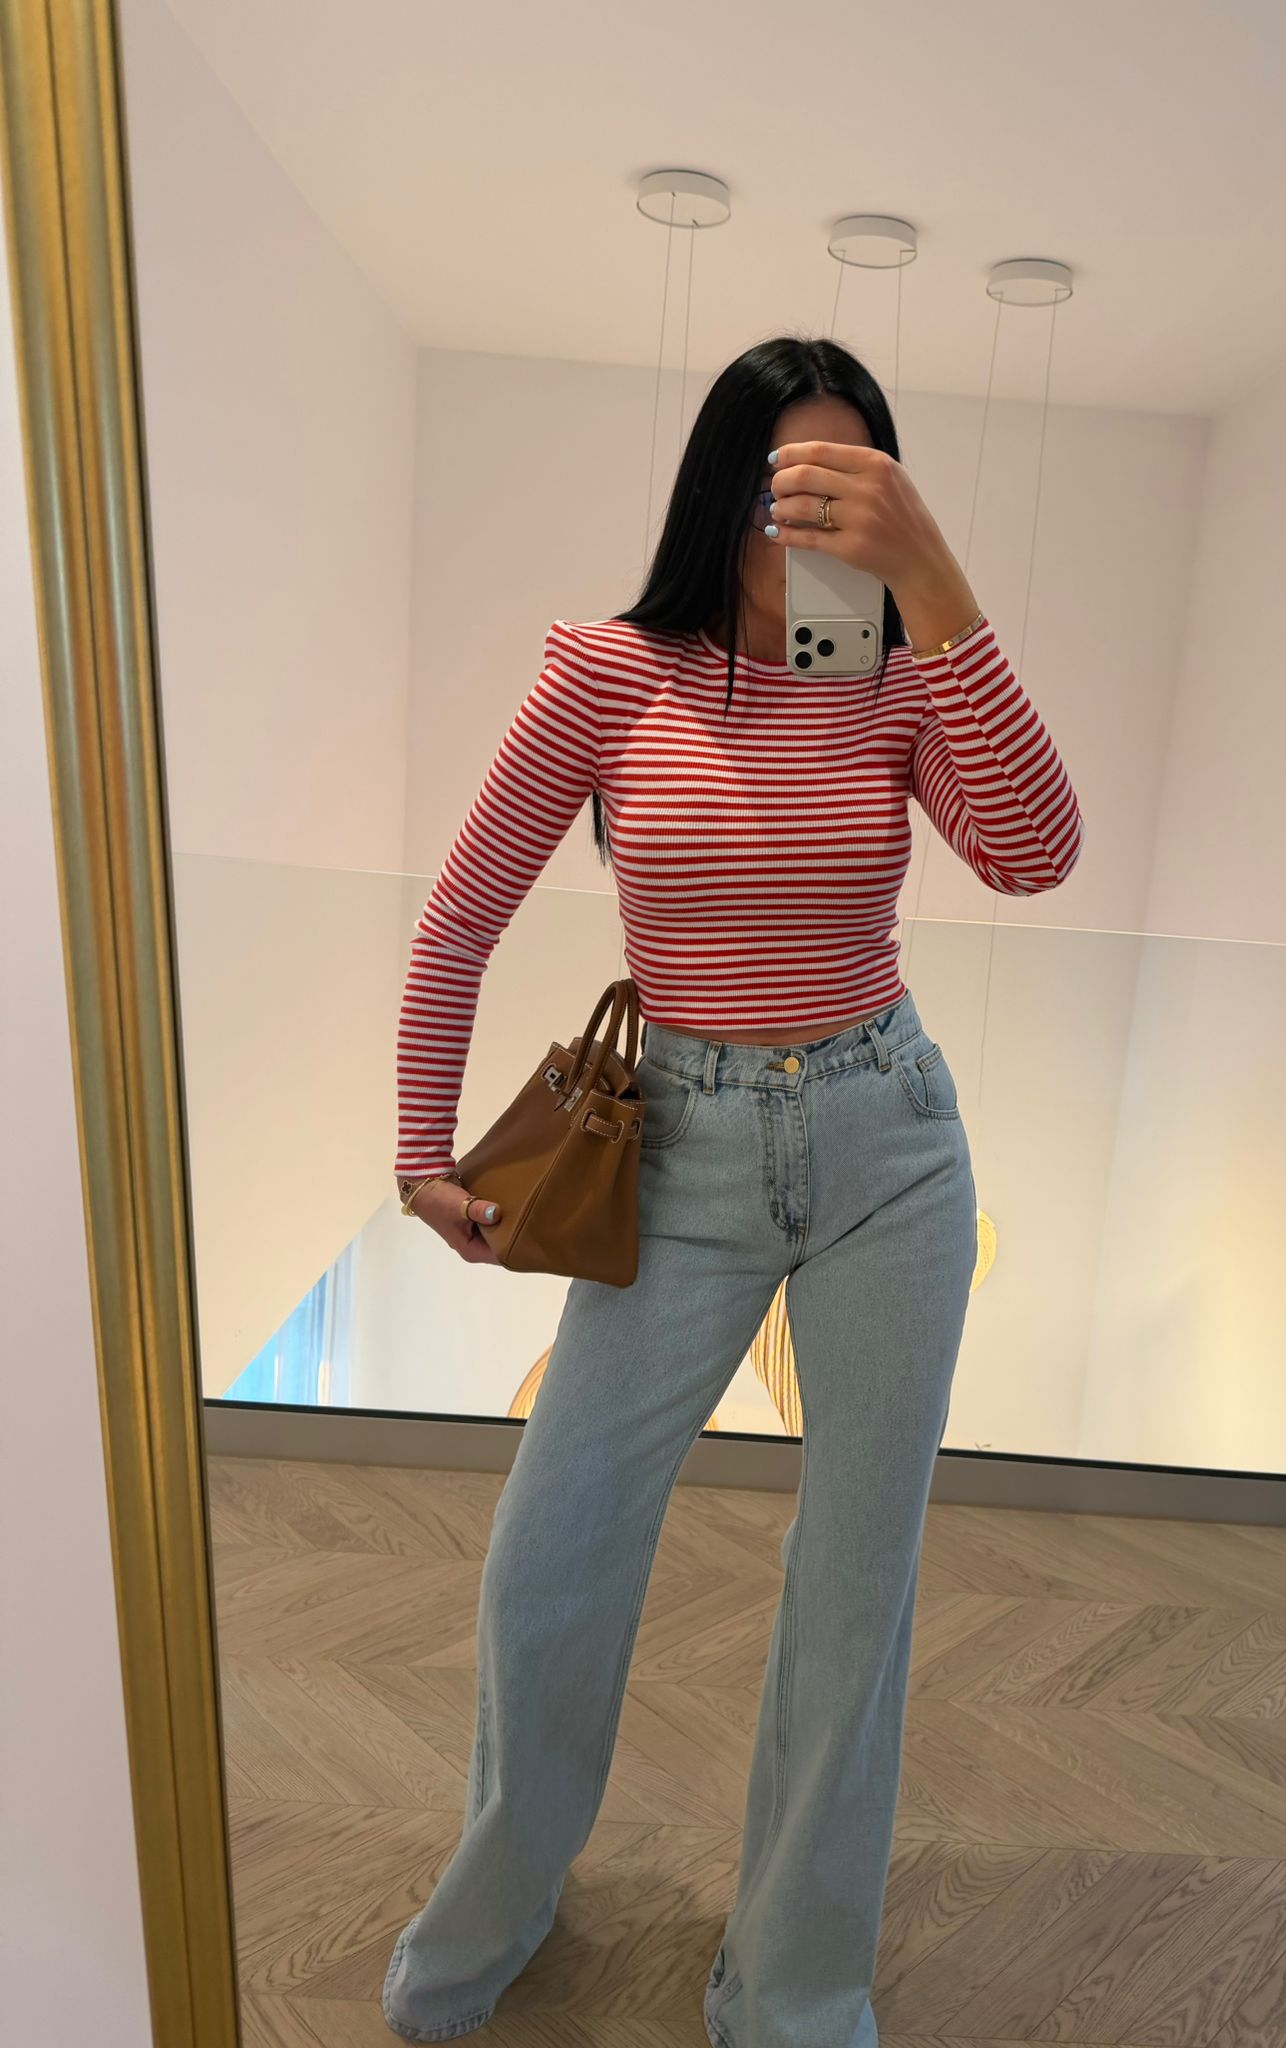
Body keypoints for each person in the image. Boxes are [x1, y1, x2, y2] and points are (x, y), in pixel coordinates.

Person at [382, 335, 1083, 2046]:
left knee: (856, 1589)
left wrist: (939, 586)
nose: (822, 519)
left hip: (887, 1145)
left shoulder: (900, 678)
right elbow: (464, 911)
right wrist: (419, 1141)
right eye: (796, 485)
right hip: (679, 1151)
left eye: (860, 486)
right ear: (725, 489)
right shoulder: (610, 671)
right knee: (550, 1558)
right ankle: (500, 1895)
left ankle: (793, 1986)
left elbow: (1035, 852)